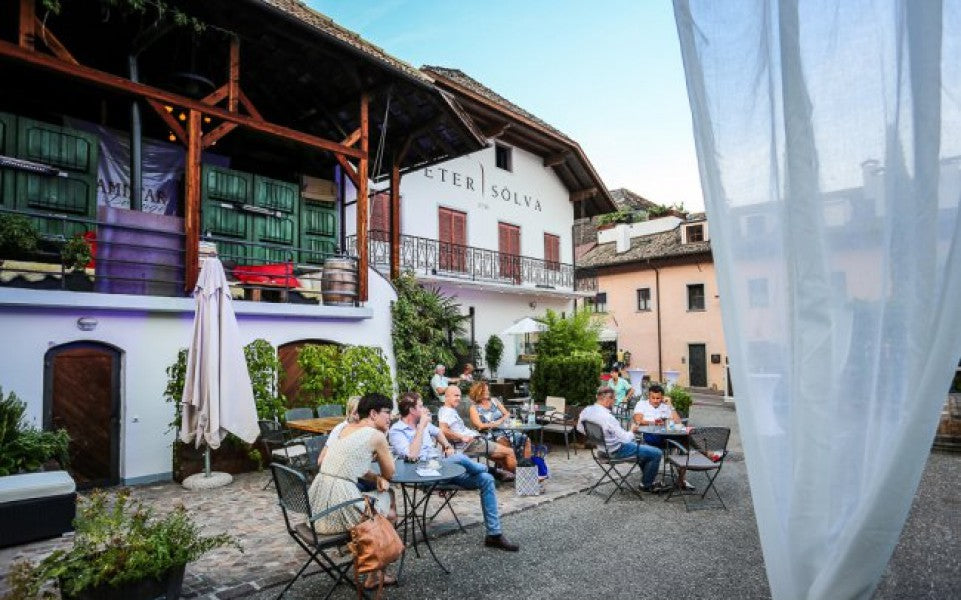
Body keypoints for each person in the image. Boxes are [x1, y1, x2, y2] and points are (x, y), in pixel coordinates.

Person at [388, 392, 519, 551]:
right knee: (460, 458)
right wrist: (421, 428)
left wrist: (447, 446)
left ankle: (494, 535)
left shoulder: (422, 423)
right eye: (421, 406)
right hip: (421, 473)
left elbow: (438, 432)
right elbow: (411, 456)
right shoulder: (397, 430)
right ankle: (494, 470)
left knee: (485, 479)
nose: (424, 410)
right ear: (411, 409)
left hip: (441, 468)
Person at [308, 393, 398, 587]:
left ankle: (372, 573)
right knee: (388, 511)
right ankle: (374, 574)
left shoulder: (346, 429)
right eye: (387, 412)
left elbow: (352, 466)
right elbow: (390, 472)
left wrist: (374, 477)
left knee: (376, 505)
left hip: (317, 508)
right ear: (373, 414)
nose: (390, 417)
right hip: (336, 511)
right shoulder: (376, 436)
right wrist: (381, 474)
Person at [577, 386, 665, 492]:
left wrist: (598, 437)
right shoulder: (608, 417)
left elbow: (580, 428)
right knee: (657, 453)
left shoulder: (587, 411)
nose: (614, 402)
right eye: (614, 399)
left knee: (644, 447)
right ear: (608, 399)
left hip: (601, 449)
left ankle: (647, 479)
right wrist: (632, 429)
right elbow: (626, 439)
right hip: (616, 451)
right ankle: (646, 485)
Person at [438, 386, 517, 476]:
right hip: (470, 444)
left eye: (459, 396)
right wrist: (462, 437)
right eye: (456, 396)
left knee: (503, 455)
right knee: (509, 452)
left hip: (475, 440)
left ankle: (509, 475)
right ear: (447, 396)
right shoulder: (447, 412)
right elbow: (443, 430)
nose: (459, 398)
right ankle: (524, 479)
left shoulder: (448, 410)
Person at [633, 385, 694, 491]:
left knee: (686, 440)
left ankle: (681, 479)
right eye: (653, 398)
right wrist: (654, 422)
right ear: (649, 396)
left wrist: (670, 405)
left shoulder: (665, 405)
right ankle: (707, 454)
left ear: (662, 397)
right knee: (685, 438)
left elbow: (678, 422)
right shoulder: (641, 404)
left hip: (666, 436)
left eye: (658, 398)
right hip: (650, 436)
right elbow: (638, 420)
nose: (656, 401)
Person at [468, 381, 532, 462]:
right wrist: (493, 424)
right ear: (478, 392)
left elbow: (507, 414)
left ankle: (525, 467)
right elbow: (479, 425)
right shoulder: (474, 408)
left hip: (505, 429)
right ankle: (512, 468)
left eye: (487, 390)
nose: (487, 392)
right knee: (504, 441)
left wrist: (500, 421)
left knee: (525, 439)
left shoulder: (494, 401)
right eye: (484, 391)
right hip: (489, 433)